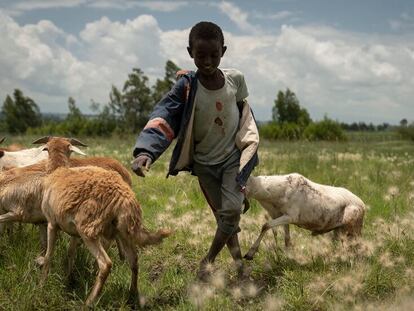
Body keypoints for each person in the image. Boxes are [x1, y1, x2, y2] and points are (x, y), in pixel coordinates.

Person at [131, 21, 259, 280]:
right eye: (201, 55)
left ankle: (208, 260)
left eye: (214, 54)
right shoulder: (187, 87)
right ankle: (239, 268)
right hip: (205, 165)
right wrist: (145, 151)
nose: (208, 61)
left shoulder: (235, 79)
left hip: (232, 159)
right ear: (190, 52)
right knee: (226, 217)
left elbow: (243, 111)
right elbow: (165, 115)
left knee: (232, 210)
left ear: (223, 50)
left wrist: (249, 146)